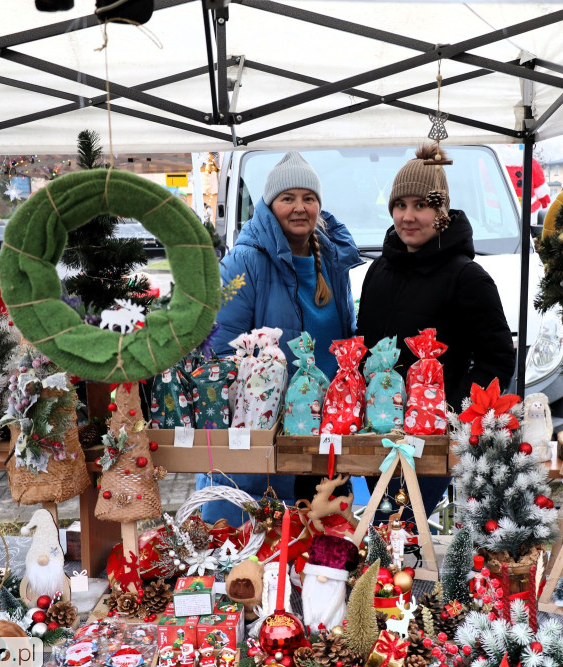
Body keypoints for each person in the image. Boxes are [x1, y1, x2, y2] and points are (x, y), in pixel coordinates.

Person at [199, 151, 361, 524]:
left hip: (326, 427)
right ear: (270, 205)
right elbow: (220, 350)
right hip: (266, 428)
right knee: (257, 544)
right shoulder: (244, 262)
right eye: (288, 198)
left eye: (309, 198)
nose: (300, 207)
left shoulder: (333, 261)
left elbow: (344, 338)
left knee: (324, 547)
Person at [357, 143, 515, 522]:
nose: (408, 217)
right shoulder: (378, 271)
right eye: (400, 205)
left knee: (399, 527)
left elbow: (496, 358)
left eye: (421, 206)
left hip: (429, 438)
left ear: (441, 212)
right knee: (380, 528)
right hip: (375, 429)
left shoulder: (466, 276)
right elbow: (364, 344)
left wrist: (449, 413)